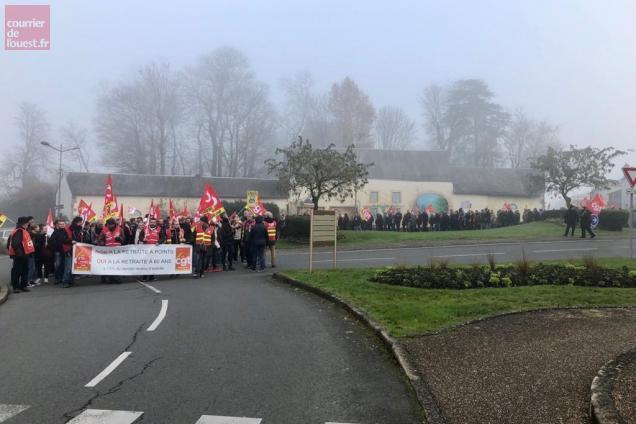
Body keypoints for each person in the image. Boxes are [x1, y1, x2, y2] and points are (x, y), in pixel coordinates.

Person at [7, 217, 35, 293]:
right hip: (20, 255)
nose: (28, 225)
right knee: (17, 271)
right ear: (24, 224)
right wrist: (20, 254)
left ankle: (23, 285)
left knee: (24, 271)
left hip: (24, 255)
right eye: (27, 224)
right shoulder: (19, 231)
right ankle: (16, 287)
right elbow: (15, 244)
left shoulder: (22, 230)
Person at [97, 218, 124, 284]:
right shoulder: (104, 230)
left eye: (112, 224)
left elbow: (123, 239)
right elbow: (100, 239)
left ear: (114, 224)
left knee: (116, 265)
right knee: (106, 265)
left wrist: (119, 239)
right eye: (110, 225)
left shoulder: (120, 229)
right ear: (107, 224)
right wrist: (102, 245)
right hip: (107, 250)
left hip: (117, 251)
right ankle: (104, 278)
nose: (111, 226)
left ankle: (115, 278)